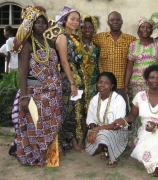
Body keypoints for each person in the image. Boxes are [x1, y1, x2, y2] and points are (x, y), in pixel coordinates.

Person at [10, 5, 62, 166]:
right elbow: (23, 72)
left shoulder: (50, 43)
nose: (40, 25)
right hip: (33, 93)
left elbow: (54, 68)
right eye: (37, 22)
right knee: (34, 126)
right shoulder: (27, 44)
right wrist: (24, 96)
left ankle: (49, 156)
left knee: (49, 125)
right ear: (31, 25)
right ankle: (33, 157)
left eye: (43, 22)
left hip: (51, 94)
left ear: (47, 25)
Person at [114, 65, 158, 177]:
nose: (155, 80)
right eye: (152, 77)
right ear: (147, 80)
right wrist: (124, 120)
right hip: (145, 130)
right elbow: (132, 115)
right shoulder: (140, 96)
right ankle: (154, 161)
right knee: (151, 136)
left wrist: (156, 125)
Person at [124, 16, 158, 149]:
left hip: (154, 86)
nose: (146, 29)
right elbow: (129, 67)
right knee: (136, 113)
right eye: (143, 27)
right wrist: (126, 85)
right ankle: (137, 142)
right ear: (139, 29)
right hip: (136, 86)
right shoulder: (133, 45)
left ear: (152, 29)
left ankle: (153, 141)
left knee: (152, 113)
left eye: (148, 27)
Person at [55, 6, 84, 152]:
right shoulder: (62, 37)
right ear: (65, 20)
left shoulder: (74, 37)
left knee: (74, 111)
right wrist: (72, 83)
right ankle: (59, 144)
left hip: (78, 76)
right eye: (72, 19)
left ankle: (73, 141)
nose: (75, 22)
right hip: (67, 79)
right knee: (65, 110)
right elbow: (64, 61)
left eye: (78, 20)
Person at [85, 72, 128, 168]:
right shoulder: (94, 99)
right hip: (98, 131)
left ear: (112, 85)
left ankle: (114, 157)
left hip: (117, 131)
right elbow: (90, 120)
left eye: (106, 83)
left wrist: (97, 129)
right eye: (100, 82)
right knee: (91, 151)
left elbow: (117, 124)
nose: (102, 85)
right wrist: (93, 130)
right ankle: (105, 149)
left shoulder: (118, 99)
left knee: (104, 135)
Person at [93, 11, 136, 97]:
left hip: (122, 85)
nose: (115, 22)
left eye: (118, 20)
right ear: (108, 23)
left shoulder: (131, 40)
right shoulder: (99, 38)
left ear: (122, 22)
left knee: (121, 109)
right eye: (112, 20)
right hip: (104, 85)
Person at [80, 14, 100, 146]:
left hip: (93, 85)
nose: (87, 30)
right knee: (78, 112)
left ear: (94, 29)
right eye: (84, 27)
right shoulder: (75, 45)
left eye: (90, 27)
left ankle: (86, 139)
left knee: (91, 113)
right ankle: (75, 140)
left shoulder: (97, 47)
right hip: (78, 84)